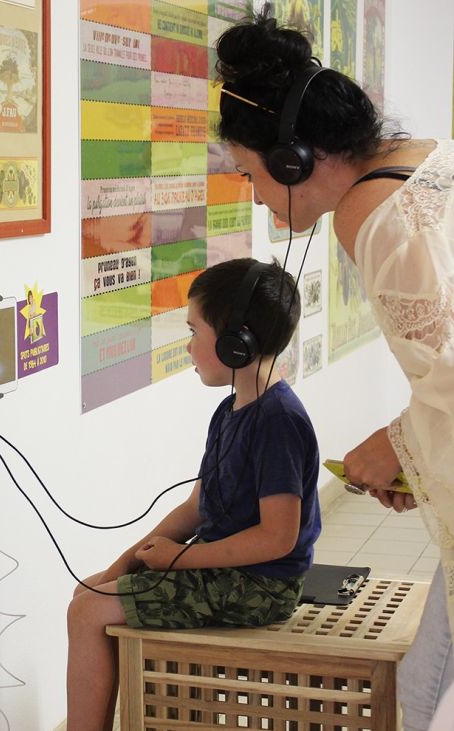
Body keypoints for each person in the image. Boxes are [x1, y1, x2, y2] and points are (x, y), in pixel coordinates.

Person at [213, 6, 454, 728]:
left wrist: (398, 444)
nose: (254, 193)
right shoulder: (428, 155)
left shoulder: (371, 215)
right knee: (423, 684)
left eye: (249, 174)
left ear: (293, 160)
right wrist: (423, 461)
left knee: (421, 696)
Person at [66, 258, 321, 731]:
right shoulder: (232, 411)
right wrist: (128, 559)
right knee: (90, 590)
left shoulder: (276, 421)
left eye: (193, 331)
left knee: (87, 611)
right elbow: (197, 507)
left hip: (262, 587)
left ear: (235, 342)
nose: (188, 346)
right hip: (229, 574)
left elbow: (278, 539)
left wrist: (177, 560)